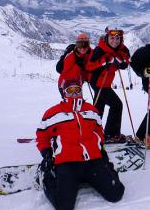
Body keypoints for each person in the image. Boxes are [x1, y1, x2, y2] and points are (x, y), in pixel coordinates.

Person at [36, 79, 125, 210]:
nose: (74, 93)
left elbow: (98, 130)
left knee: (116, 194)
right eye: (70, 90)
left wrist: (100, 149)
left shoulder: (91, 110)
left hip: (93, 161)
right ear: (63, 93)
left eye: (77, 90)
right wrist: (46, 152)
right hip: (67, 162)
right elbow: (42, 134)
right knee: (64, 206)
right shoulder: (53, 113)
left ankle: (97, 174)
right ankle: (46, 176)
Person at [86, 26, 131, 143]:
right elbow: (89, 66)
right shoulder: (100, 50)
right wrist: (104, 62)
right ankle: (111, 134)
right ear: (107, 38)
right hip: (98, 83)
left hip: (106, 82)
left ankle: (92, 132)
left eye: (118, 38)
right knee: (117, 105)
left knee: (98, 108)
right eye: (112, 38)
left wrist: (122, 63)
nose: (115, 41)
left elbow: (127, 60)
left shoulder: (122, 49)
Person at [57, 33, 92, 98]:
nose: (82, 48)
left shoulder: (87, 54)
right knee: (73, 105)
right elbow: (66, 74)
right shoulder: (71, 56)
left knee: (78, 105)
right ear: (76, 45)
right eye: (80, 45)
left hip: (77, 85)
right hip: (67, 85)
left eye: (85, 45)